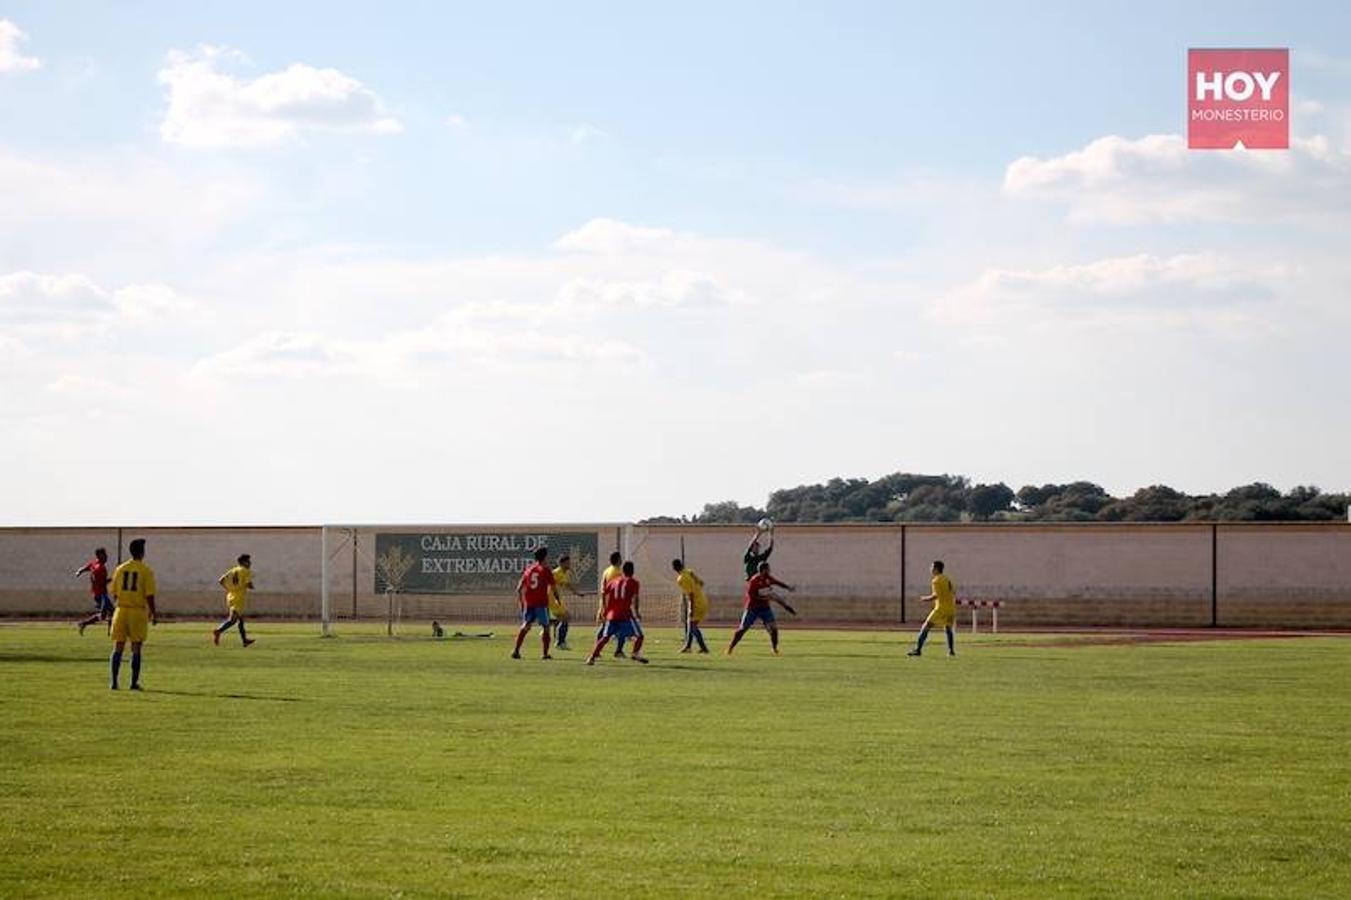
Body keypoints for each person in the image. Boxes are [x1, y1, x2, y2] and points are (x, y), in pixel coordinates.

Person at [108, 538, 156, 691]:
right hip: (137, 612)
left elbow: (114, 593)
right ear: (142, 552)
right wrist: (154, 612)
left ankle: (114, 682)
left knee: (117, 647)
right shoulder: (146, 571)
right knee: (136, 647)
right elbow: (149, 595)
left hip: (121, 610)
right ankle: (133, 683)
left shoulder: (120, 569)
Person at [726, 561, 796, 656]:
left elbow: (778, 583)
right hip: (752, 608)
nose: (770, 571)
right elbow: (751, 596)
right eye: (768, 569)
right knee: (742, 629)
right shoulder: (754, 581)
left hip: (765, 609)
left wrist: (788, 588)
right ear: (763, 570)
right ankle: (730, 648)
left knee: (774, 629)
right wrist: (766, 598)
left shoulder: (768, 579)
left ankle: (774, 649)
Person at [586, 561, 648, 665]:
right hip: (625, 615)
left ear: (622, 571)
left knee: (605, 637)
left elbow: (604, 593)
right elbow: (635, 599)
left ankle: (591, 657)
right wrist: (637, 612)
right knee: (639, 636)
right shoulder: (634, 582)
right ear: (632, 571)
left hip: (612, 615)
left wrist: (604, 609)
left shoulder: (613, 581)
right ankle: (635, 653)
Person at [512, 546, 555, 660]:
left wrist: (521, 602)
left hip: (529, 603)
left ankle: (516, 651)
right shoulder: (546, 570)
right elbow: (553, 587)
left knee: (526, 626)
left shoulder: (529, 569)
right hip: (541, 603)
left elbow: (519, 587)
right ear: (545, 556)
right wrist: (557, 599)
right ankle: (545, 653)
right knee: (546, 627)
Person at [907, 560, 957, 657]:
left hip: (940, 609)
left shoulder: (936, 580)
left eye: (932, 567)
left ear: (936, 569)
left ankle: (918, 650)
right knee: (948, 629)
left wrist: (924, 599)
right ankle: (951, 651)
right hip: (951, 608)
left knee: (926, 626)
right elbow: (953, 592)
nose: (930, 569)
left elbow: (935, 596)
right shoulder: (947, 579)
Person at [212, 554, 256, 647]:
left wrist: (230, 588)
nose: (250, 563)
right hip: (238, 598)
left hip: (230, 596)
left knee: (240, 620)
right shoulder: (245, 571)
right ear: (244, 562)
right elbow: (249, 584)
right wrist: (251, 586)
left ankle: (244, 640)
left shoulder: (233, 570)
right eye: (248, 561)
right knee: (233, 620)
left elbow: (221, 580)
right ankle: (218, 631)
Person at [596, 551, 630, 657]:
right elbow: (614, 590)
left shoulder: (607, 570)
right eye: (620, 558)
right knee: (622, 628)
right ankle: (618, 651)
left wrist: (603, 606)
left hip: (606, 603)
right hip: (613, 605)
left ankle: (597, 651)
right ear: (618, 560)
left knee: (604, 628)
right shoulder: (616, 572)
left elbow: (604, 590)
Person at [672, 558, 710, 653]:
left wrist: (691, 609)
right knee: (690, 624)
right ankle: (688, 647)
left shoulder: (681, 579)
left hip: (696, 603)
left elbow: (691, 594)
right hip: (703, 600)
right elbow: (701, 583)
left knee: (692, 626)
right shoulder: (689, 572)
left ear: (674, 568)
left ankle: (703, 647)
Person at [549, 554, 586, 650]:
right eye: (567, 563)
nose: (569, 564)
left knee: (561, 620)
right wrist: (578, 593)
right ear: (562, 563)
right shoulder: (558, 572)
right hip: (553, 599)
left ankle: (557, 639)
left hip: (555, 599)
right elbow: (568, 585)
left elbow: (566, 585)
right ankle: (560, 642)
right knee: (566, 617)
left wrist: (577, 593)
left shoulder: (562, 573)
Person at [74, 547, 114, 635]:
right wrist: (114, 578)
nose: (107, 557)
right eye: (105, 555)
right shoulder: (101, 568)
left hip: (97, 594)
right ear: (99, 556)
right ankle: (111, 632)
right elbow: (103, 583)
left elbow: (85, 568)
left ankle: (84, 623)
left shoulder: (94, 564)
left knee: (108, 613)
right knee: (111, 612)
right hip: (101, 594)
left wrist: (79, 571)